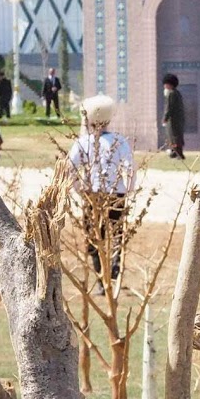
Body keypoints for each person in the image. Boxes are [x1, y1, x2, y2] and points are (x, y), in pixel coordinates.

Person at [70, 95, 136, 281]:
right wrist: (129, 189)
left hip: (92, 195)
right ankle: (114, 270)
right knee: (116, 233)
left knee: (93, 236)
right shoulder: (119, 141)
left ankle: (100, 277)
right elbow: (130, 167)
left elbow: (69, 168)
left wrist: (78, 189)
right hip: (116, 193)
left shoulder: (82, 143)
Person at [161, 73, 186, 159]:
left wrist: (165, 118)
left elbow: (169, 107)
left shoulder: (171, 94)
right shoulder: (177, 93)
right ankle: (177, 153)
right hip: (178, 119)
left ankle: (177, 153)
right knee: (176, 136)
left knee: (173, 136)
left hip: (173, 120)